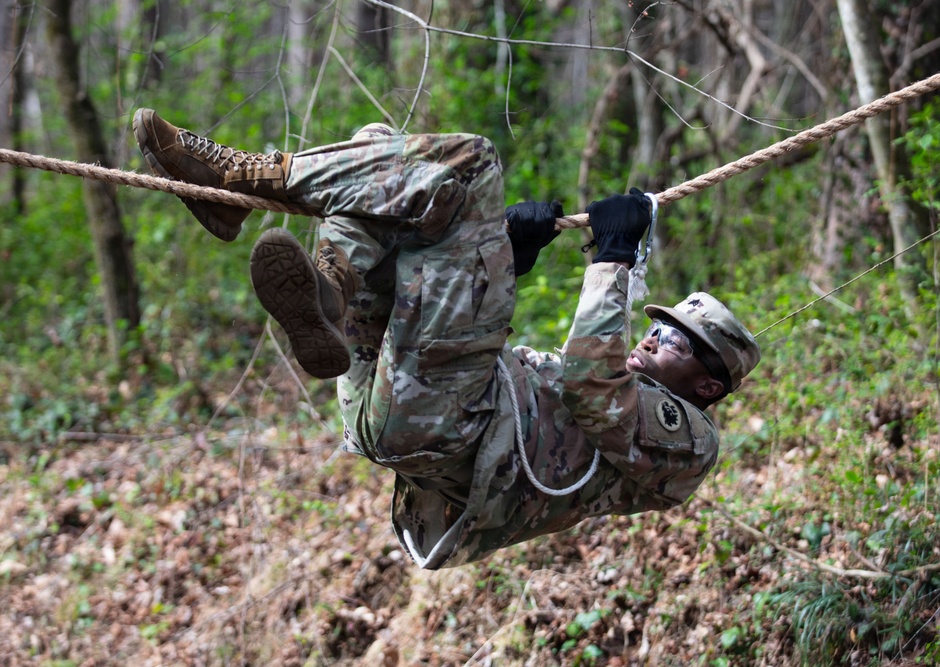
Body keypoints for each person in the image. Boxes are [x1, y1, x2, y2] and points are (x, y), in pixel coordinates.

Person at [132, 109, 761, 569]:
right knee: (387, 156)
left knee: (472, 164)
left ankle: (245, 181)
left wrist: (614, 259)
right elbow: (522, 373)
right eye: (657, 327)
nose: (652, 341)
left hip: (444, 427)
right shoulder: (640, 395)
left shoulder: (691, 445)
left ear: (708, 384)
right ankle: (332, 290)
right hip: (405, 394)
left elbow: (588, 385)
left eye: (675, 341)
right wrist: (509, 257)